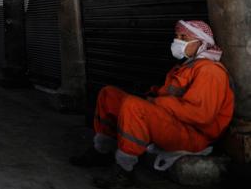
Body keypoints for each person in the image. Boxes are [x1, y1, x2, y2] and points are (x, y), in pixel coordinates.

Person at [70, 20, 234, 188]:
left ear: (201, 42)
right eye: (177, 36)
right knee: (109, 95)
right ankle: (102, 151)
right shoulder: (186, 67)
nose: (177, 41)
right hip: (174, 122)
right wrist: (151, 96)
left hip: (192, 135)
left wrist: (156, 102)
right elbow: (167, 93)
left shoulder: (210, 71)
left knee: (133, 106)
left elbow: (201, 115)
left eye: (183, 37)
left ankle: (123, 172)